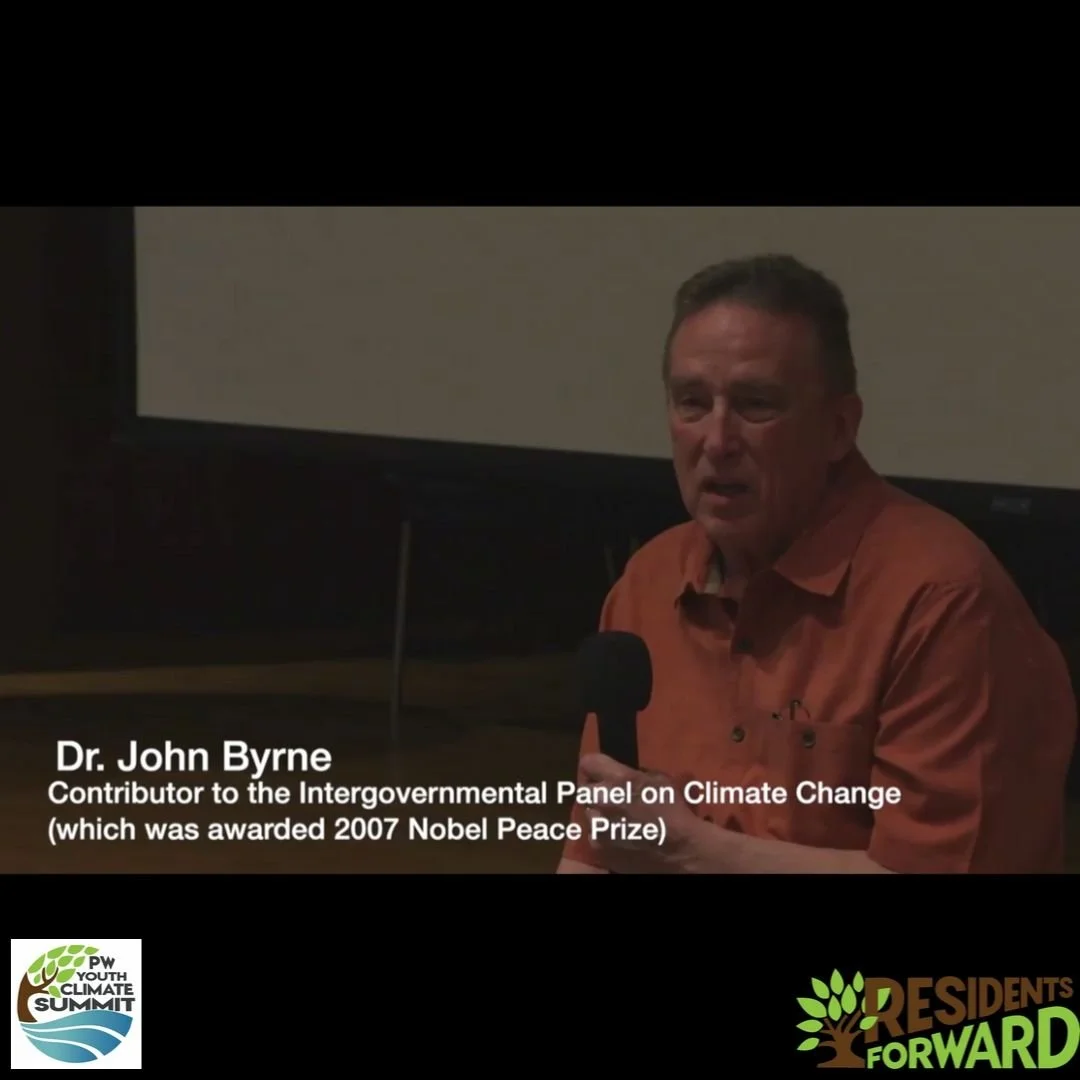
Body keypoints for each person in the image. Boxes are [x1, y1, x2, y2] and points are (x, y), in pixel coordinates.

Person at [557, 254, 1077, 875]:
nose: (716, 441)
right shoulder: (650, 580)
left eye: (756, 405)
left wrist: (690, 849)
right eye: (691, 403)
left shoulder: (943, 600)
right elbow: (596, 850)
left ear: (838, 428)